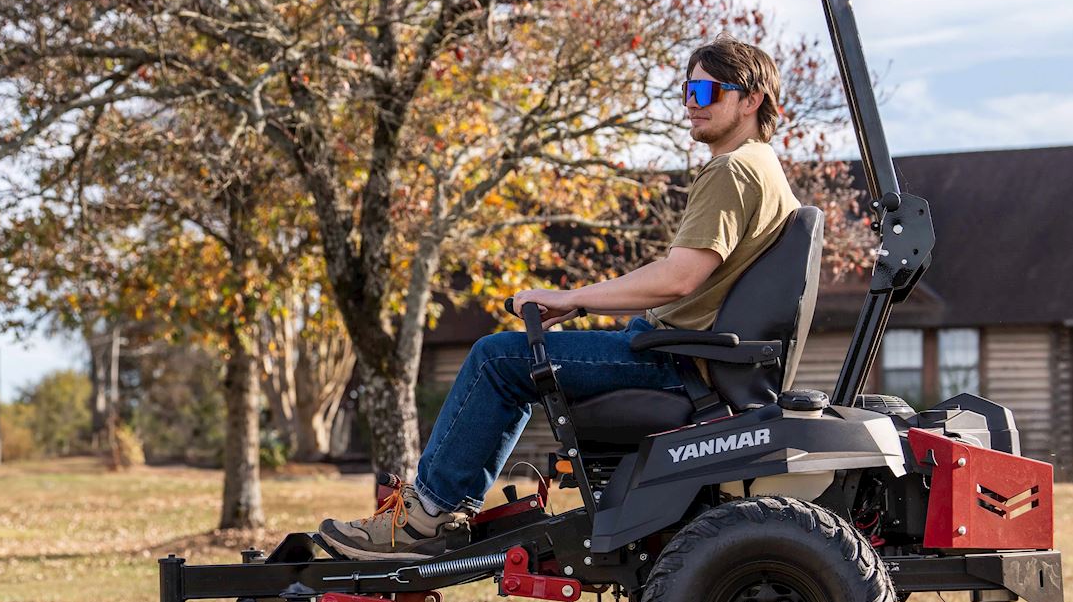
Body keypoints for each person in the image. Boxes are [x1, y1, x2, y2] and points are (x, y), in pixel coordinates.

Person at [319, 34, 803, 559]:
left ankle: (426, 519)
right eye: (686, 89)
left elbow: (679, 278)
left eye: (705, 91)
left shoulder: (731, 170)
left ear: (751, 100)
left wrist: (573, 296)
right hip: (687, 353)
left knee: (497, 358)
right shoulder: (766, 167)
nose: (690, 102)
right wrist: (579, 301)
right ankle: (439, 511)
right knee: (511, 357)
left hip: (674, 361)